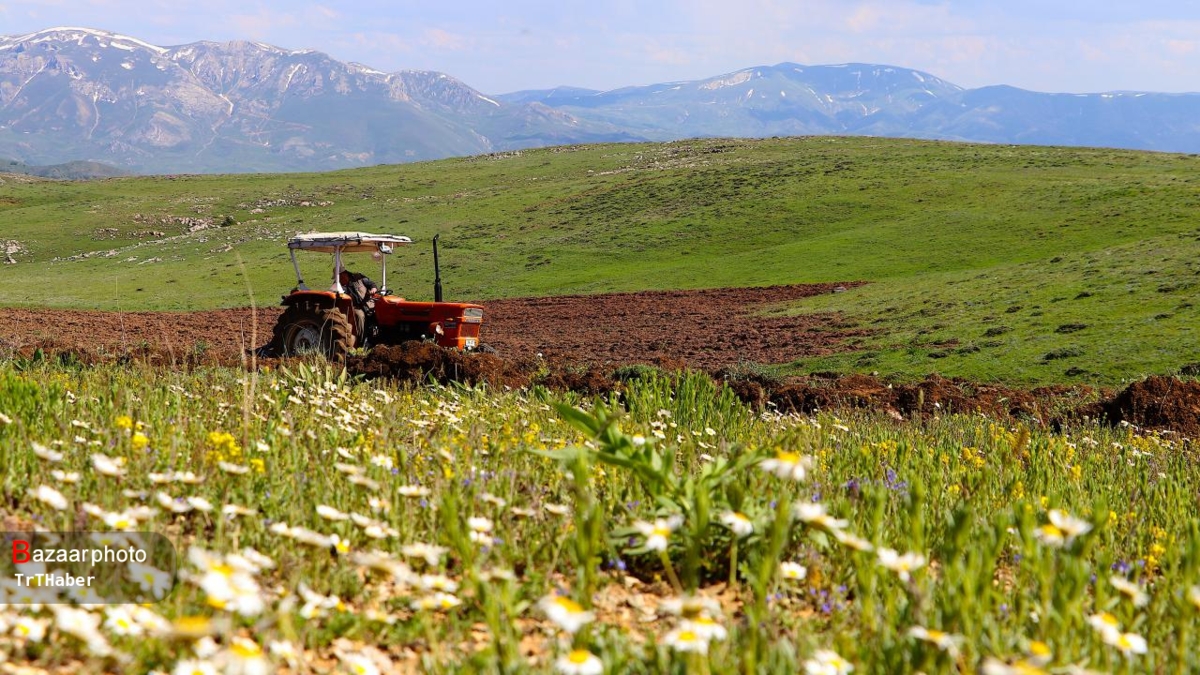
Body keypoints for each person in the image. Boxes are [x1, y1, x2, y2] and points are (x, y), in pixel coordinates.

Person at [337, 267, 379, 342]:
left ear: (344, 274)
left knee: (379, 313)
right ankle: (361, 340)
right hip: (354, 307)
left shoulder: (359, 278)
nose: (339, 280)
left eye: (339, 277)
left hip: (367, 304)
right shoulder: (338, 285)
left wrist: (373, 289)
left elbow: (372, 284)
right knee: (360, 316)